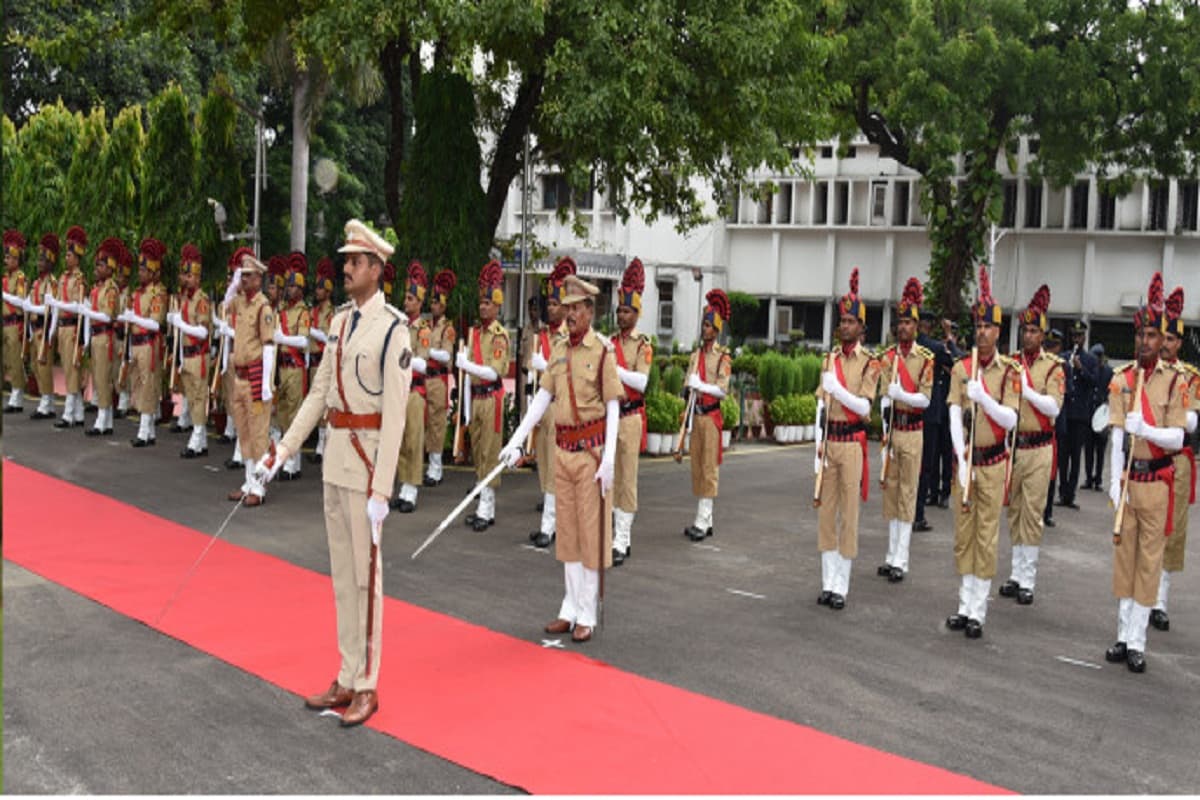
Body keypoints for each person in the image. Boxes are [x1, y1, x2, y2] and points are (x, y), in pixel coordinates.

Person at [258, 218, 411, 726]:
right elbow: (319, 394)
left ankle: (368, 684)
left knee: (369, 580)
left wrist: (382, 489)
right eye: (345, 260)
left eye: (354, 261)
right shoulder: (341, 322)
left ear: (375, 268)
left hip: (367, 466)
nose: (345, 268)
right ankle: (347, 674)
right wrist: (282, 451)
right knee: (343, 579)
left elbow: (395, 415)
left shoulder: (393, 329)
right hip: (335, 460)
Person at [500, 274, 622, 643]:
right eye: (566, 307)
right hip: (563, 451)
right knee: (567, 535)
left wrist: (610, 459)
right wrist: (517, 439)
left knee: (589, 535)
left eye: (575, 308)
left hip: (590, 454)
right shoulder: (558, 349)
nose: (569, 313)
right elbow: (543, 399)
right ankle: (569, 608)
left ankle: (587, 613)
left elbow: (614, 404)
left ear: (590, 310)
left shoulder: (602, 351)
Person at [1104, 272, 1188, 673]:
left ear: (1163, 339)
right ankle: (1121, 635)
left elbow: (1176, 438)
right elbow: (1117, 435)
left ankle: (1137, 640)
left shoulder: (1175, 382)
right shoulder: (1122, 379)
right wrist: (1113, 483)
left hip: (1157, 481)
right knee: (1125, 561)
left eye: (1153, 336)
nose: (1146, 343)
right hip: (1130, 481)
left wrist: (1148, 429)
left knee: (1148, 563)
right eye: (1141, 335)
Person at [945, 266, 1020, 640]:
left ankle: (978, 609)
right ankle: (963, 604)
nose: (981, 332)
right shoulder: (962, 367)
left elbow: (1009, 419)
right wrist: (960, 459)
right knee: (964, 534)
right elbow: (954, 413)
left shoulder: (1009, 372)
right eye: (977, 326)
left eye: (988, 327)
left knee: (986, 536)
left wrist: (984, 398)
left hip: (992, 462)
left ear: (999, 331)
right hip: (968, 464)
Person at [814, 270, 880, 608]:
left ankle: (842, 585)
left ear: (862, 327)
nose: (845, 325)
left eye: (851, 320)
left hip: (853, 443)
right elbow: (820, 405)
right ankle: (827, 581)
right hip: (830, 442)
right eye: (842, 320)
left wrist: (837, 388)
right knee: (826, 513)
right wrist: (816, 445)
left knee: (848, 514)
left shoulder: (871, 363)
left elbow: (864, 407)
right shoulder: (829, 359)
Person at [999, 285, 1065, 606]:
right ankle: (1014, 573)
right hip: (1014, 446)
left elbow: (1054, 408)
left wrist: (1027, 390)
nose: (1028, 336)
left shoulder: (1053, 366)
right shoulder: (1011, 363)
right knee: (1013, 511)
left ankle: (1028, 578)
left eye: (1034, 330)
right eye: (1025, 329)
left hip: (1039, 446)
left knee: (1032, 512)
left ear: (1043, 334)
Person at [877, 277, 933, 582]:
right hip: (893, 430)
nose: (903, 328)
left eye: (908, 323)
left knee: (908, 493)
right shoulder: (889, 357)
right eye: (899, 322)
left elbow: (924, 399)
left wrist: (901, 395)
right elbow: (885, 395)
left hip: (912, 430)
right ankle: (890, 554)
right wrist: (884, 428)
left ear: (917, 325)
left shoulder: (925, 360)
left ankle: (902, 558)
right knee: (892, 491)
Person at [1151, 286, 1199, 632]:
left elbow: (1192, 421)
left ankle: (1160, 600)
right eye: (1161, 336)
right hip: (1145, 459)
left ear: (1179, 343)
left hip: (1176, 460)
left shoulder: (1190, 378)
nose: (1165, 344)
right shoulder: (1145, 372)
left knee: (1170, 528)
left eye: (1171, 339)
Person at [457, 260, 510, 531]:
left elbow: (493, 373)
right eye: (481, 303)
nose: (483, 307)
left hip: (491, 398)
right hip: (476, 398)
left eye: (488, 303)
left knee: (489, 452)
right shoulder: (474, 333)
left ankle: (487, 508)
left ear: (498, 306)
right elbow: (468, 378)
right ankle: (481, 503)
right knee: (478, 451)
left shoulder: (499, 337)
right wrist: (465, 410)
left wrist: (467, 365)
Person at [221, 252, 276, 505]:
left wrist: (266, 383)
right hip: (239, 376)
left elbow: (268, 345)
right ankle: (248, 481)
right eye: (241, 275)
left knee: (258, 433)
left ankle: (259, 487)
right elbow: (224, 305)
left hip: (254, 376)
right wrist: (233, 285)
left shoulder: (263, 306)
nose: (243, 280)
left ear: (259, 278)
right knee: (243, 431)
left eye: (248, 275)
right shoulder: (241, 301)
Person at [526, 257, 574, 548]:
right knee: (544, 464)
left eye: (555, 304)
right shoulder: (542, 336)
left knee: (557, 468)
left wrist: (545, 366)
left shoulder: (569, 338)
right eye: (549, 303)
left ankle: (550, 525)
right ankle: (551, 519)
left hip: (560, 407)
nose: (550, 308)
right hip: (542, 407)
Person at [611, 258, 653, 566]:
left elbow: (641, 380)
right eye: (619, 310)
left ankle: (623, 538)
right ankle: (613, 531)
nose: (621, 315)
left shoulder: (642, 345)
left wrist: (615, 370)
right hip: (610, 415)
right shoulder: (610, 342)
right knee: (610, 476)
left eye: (626, 311)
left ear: (636, 314)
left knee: (627, 478)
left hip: (630, 415)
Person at [683, 289, 733, 543]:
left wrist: (700, 385)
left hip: (712, 418)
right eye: (702, 325)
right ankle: (707, 519)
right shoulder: (696, 355)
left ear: (716, 329)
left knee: (708, 469)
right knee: (696, 468)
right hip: (697, 415)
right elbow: (688, 387)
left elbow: (722, 391)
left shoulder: (723, 357)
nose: (704, 329)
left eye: (708, 325)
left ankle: (702, 521)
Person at [115, 238, 168, 446]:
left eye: (145, 270)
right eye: (141, 269)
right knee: (137, 384)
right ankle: (150, 430)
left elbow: (155, 324)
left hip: (148, 342)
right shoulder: (137, 293)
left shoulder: (158, 293)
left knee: (148, 386)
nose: (141, 273)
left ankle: (144, 430)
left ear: (155, 272)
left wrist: (134, 318)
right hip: (135, 343)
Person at [391, 260, 431, 513]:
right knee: (400, 440)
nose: (406, 302)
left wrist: (405, 358)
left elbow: (424, 364)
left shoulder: (423, 329)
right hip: (400, 390)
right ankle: (403, 485)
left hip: (415, 390)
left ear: (419, 302)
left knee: (414, 440)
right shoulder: (401, 326)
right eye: (405, 297)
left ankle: (412, 489)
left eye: (410, 298)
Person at [166, 244, 212, 457]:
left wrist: (180, 324)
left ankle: (197, 436)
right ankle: (200, 438)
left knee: (198, 397)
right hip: (186, 353)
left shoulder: (201, 300)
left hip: (198, 354)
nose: (185, 279)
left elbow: (203, 332)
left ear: (197, 277)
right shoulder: (184, 299)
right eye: (184, 275)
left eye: (189, 275)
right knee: (191, 397)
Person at [914, 311, 956, 530]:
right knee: (925, 464)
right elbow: (956, 361)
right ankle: (918, 514)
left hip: (911, 412)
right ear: (929, 326)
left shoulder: (910, 347)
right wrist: (949, 337)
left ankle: (910, 511)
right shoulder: (935, 348)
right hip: (931, 413)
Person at [271, 252, 312, 479]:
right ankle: (285, 459)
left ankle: (293, 463)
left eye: (293, 286)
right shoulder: (283, 311)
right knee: (283, 414)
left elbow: (304, 341)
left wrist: (283, 339)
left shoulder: (303, 312)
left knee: (295, 416)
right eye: (288, 285)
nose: (289, 289)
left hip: (295, 368)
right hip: (281, 368)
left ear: (301, 288)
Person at [79, 238, 125, 435]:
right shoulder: (97, 289)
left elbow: (107, 315)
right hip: (96, 336)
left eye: (101, 265)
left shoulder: (111, 289)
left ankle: (103, 419)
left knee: (103, 378)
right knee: (98, 378)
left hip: (105, 337)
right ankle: (105, 420)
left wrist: (87, 311)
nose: (97, 268)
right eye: (97, 264)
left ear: (110, 268)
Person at [47, 225, 89, 428]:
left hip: (73, 327)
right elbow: (58, 306)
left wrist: (58, 304)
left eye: (70, 255)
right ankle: (79, 413)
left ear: (78, 257)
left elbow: (76, 305)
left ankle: (69, 413)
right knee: (67, 368)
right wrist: (53, 330)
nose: (67, 258)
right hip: (63, 327)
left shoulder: (80, 279)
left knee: (73, 369)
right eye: (66, 254)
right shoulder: (63, 277)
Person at [423, 269, 457, 486]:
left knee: (436, 423)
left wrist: (428, 353)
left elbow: (446, 356)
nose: (433, 306)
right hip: (424, 377)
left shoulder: (448, 328)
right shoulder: (426, 327)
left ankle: (436, 468)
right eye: (432, 302)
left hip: (438, 378)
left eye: (436, 302)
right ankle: (427, 464)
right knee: (425, 422)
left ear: (443, 305)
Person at [1058, 320, 1097, 508]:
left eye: (1080, 336)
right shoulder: (1064, 356)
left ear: (1084, 337)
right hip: (1066, 413)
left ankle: (1070, 495)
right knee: (1063, 456)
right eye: (1074, 335)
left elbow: (1094, 382)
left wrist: (1081, 369)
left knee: (1075, 456)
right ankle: (1062, 491)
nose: (1077, 339)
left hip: (1080, 415)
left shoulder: (1090, 359)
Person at [25, 234, 60, 420]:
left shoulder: (52, 283)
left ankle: (46, 402)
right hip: (34, 328)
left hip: (45, 328)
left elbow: (50, 309)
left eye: (43, 260)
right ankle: (48, 400)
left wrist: (50, 334)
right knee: (35, 365)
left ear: (51, 263)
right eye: (39, 259)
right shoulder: (37, 283)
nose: (39, 263)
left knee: (43, 366)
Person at [306, 258, 337, 464]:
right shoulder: (312, 312)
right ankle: (319, 441)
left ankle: (323, 447)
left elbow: (329, 339)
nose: (316, 291)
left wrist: (313, 332)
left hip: (326, 363)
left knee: (325, 405)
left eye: (320, 287)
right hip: (312, 362)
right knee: (314, 403)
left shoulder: (332, 314)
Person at [1043, 328, 1070, 528]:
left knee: (1052, 471)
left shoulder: (1063, 367)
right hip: (1036, 424)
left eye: (1054, 347)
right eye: (1048, 346)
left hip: (1056, 424)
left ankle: (1048, 510)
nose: (1051, 351)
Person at [2, 230, 29, 413]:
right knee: (7, 360)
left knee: (15, 359)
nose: (6, 260)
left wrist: (4, 295)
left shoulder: (20, 278)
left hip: (14, 323)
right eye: (5, 257)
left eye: (9, 258)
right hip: (4, 322)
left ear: (17, 259)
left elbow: (21, 301)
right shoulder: (5, 278)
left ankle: (17, 395)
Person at [1085, 343, 1113, 490]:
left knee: (1100, 450)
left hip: (1103, 413)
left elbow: (1112, 392)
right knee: (1089, 449)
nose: (1096, 360)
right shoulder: (1091, 370)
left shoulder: (1109, 372)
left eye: (1097, 357)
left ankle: (1098, 480)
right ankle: (1089, 478)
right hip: (1090, 412)